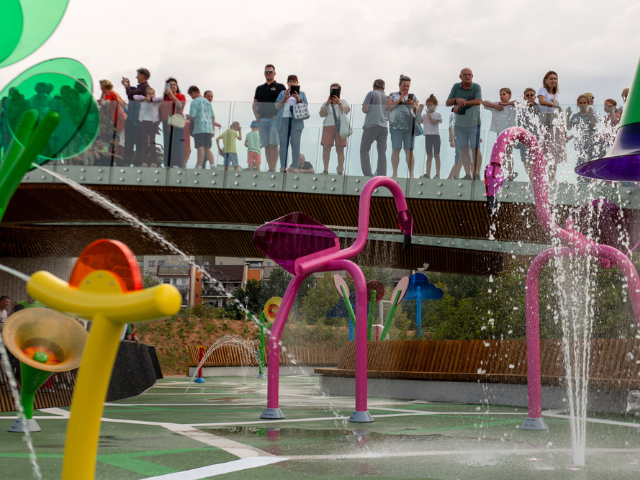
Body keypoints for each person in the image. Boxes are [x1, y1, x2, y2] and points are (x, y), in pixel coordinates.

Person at [446, 68, 483, 180]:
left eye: (469, 74)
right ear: (460, 76)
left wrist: (463, 103)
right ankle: (467, 174)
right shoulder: (456, 86)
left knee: (475, 148)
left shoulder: (476, 87)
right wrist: (456, 100)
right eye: (465, 74)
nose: (467, 76)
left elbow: (478, 101)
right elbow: (448, 102)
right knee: (464, 149)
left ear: (472, 76)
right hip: (459, 125)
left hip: (474, 123)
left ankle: (476, 173)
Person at [253, 65, 286, 172]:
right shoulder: (259, 88)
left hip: (274, 119)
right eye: (266, 71)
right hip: (262, 120)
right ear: (264, 73)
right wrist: (256, 115)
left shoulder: (280, 87)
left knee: (274, 143)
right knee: (266, 145)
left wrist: (279, 115)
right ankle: (270, 167)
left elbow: (285, 102)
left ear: (274, 73)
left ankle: (273, 167)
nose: (268, 73)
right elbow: (254, 104)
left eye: (270, 71)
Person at [386, 74, 419, 178]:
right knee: (396, 149)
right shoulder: (392, 95)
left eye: (408, 86)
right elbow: (387, 107)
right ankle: (395, 173)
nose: (406, 88)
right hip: (395, 127)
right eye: (404, 85)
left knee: (409, 150)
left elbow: (417, 110)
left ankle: (411, 174)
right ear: (399, 85)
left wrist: (412, 105)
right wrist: (399, 100)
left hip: (409, 127)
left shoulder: (413, 97)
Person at [275, 75, 308, 173]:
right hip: (284, 119)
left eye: (294, 81)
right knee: (283, 144)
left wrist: (298, 99)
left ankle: (295, 167)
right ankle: (283, 166)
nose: (292, 83)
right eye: (290, 81)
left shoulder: (302, 94)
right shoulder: (282, 93)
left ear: (298, 83)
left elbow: (305, 107)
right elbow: (276, 106)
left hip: (296, 120)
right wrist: (284, 98)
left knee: (295, 144)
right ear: (287, 83)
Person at [537, 70, 566, 182]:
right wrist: (556, 106)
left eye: (555, 79)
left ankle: (551, 177)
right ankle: (541, 176)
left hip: (554, 122)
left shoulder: (555, 94)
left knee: (554, 149)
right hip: (544, 120)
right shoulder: (543, 90)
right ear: (546, 80)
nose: (553, 81)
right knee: (544, 148)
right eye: (551, 78)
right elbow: (541, 101)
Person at [483, 88, 517, 179]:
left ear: (509, 95)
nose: (501, 96)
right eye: (500, 95)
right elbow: (484, 102)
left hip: (510, 133)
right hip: (500, 134)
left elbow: (520, 102)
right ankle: (510, 171)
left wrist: (506, 103)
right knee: (498, 154)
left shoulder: (512, 106)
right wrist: (495, 106)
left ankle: (510, 174)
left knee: (509, 153)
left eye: (504, 94)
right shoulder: (497, 104)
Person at [319, 83, 350, 174]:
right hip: (328, 125)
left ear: (339, 92)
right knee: (326, 147)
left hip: (340, 126)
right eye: (332, 90)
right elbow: (321, 114)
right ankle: (325, 170)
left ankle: (340, 170)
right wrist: (328, 104)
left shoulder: (343, 101)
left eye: (335, 90)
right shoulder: (326, 102)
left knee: (340, 148)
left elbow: (346, 111)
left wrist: (339, 102)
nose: (333, 92)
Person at [122, 68, 150, 166]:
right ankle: (128, 162)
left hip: (138, 122)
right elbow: (131, 95)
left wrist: (126, 86)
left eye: (138, 74)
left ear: (143, 75)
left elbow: (132, 94)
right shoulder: (141, 88)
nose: (136, 76)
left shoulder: (145, 88)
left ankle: (137, 163)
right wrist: (128, 86)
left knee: (138, 144)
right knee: (129, 143)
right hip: (132, 120)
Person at [360, 79, 388, 177]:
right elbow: (388, 115)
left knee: (364, 149)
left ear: (374, 86)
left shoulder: (371, 94)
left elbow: (365, 109)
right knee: (382, 152)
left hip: (371, 125)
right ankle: (381, 175)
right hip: (384, 127)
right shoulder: (387, 97)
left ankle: (367, 175)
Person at [187, 86, 217, 169]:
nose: (191, 97)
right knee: (207, 148)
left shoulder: (194, 102)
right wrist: (213, 129)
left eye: (191, 95)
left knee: (200, 147)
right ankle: (213, 165)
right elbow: (212, 116)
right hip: (208, 128)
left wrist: (187, 117)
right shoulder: (207, 102)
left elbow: (192, 116)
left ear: (193, 92)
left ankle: (199, 166)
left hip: (199, 128)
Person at [515, 87, 542, 180]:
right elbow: (519, 125)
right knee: (525, 160)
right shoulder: (522, 109)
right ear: (524, 98)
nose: (529, 97)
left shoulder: (540, 107)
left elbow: (541, 121)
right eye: (527, 95)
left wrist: (533, 107)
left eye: (531, 95)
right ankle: (531, 179)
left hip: (537, 138)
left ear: (535, 97)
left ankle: (537, 179)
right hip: (524, 139)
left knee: (536, 160)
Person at [160, 77, 186, 168]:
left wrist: (171, 95)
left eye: (174, 84)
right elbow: (161, 111)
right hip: (166, 122)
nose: (172, 86)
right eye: (170, 85)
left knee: (177, 143)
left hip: (177, 121)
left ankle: (177, 164)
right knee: (167, 143)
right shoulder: (164, 98)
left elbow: (180, 105)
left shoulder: (180, 96)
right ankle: (167, 164)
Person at [133, 88, 163, 167]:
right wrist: (144, 98)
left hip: (152, 123)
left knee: (152, 142)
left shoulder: (156, 103)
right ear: (146, 95)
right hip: (144, 122)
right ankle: (144, 162)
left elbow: (162, 98)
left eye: (152, 93)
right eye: (149, 94)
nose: (151, 95)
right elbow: (135, 97)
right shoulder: (142, 102)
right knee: (144, 143)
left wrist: (152, 99)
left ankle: (154, 162)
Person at [566, 94, 597, 167]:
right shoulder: (575, 116)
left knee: (589, 162)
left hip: (590, 142)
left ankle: (588, 178)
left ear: (587, 104)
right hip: (578, 143)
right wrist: (567, 116)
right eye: (580, 103)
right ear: (578, 104)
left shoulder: (591, 114)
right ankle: (580, 178)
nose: (582, 105)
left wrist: (590, 116)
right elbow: (569, 127)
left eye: (584, 103)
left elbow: (594, 127)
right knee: (580, 162)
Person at [418, 94, 442, 179]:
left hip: (435, 136)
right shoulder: (425, 115)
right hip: (427, 136)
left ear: (435, 105)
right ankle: (427, 174)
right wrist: (419, 111)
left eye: (430, 105)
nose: (429, 107)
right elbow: (420, 121)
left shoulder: (437, 114)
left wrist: (428, 113)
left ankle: (437, 174)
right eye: (427, 105)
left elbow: (433, 122)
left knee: (436, 155)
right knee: (429, 155)